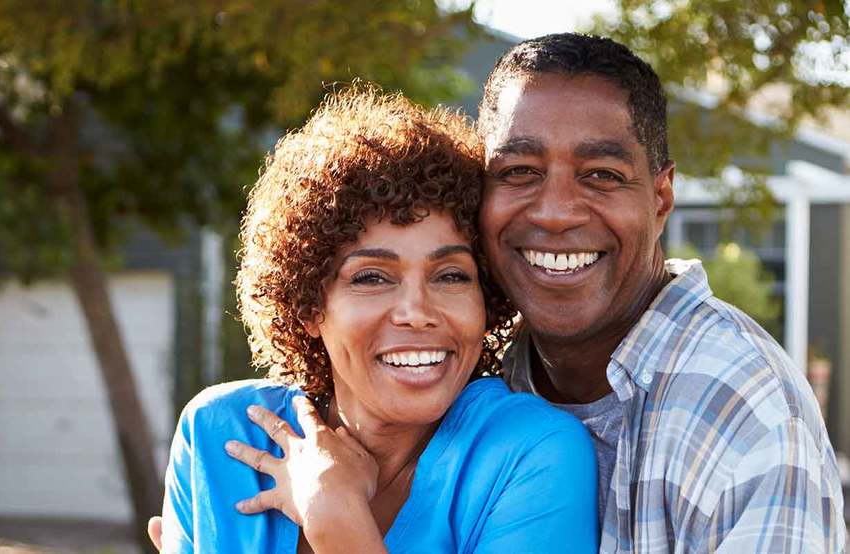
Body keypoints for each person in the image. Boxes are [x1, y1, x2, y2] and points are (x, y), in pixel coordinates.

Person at [159, 87, 598, 553]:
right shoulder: (221, 434)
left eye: (451, 275)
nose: (417, 312)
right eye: (371, 278)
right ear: (309, 305)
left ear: (486, 298)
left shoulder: (531, 455)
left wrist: (332, 512)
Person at [477, 33, 845, 551]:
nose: (555, 212)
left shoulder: (742, 409)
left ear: (661, 197)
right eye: (519, 172)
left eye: (601, 175)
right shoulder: (471, 376)